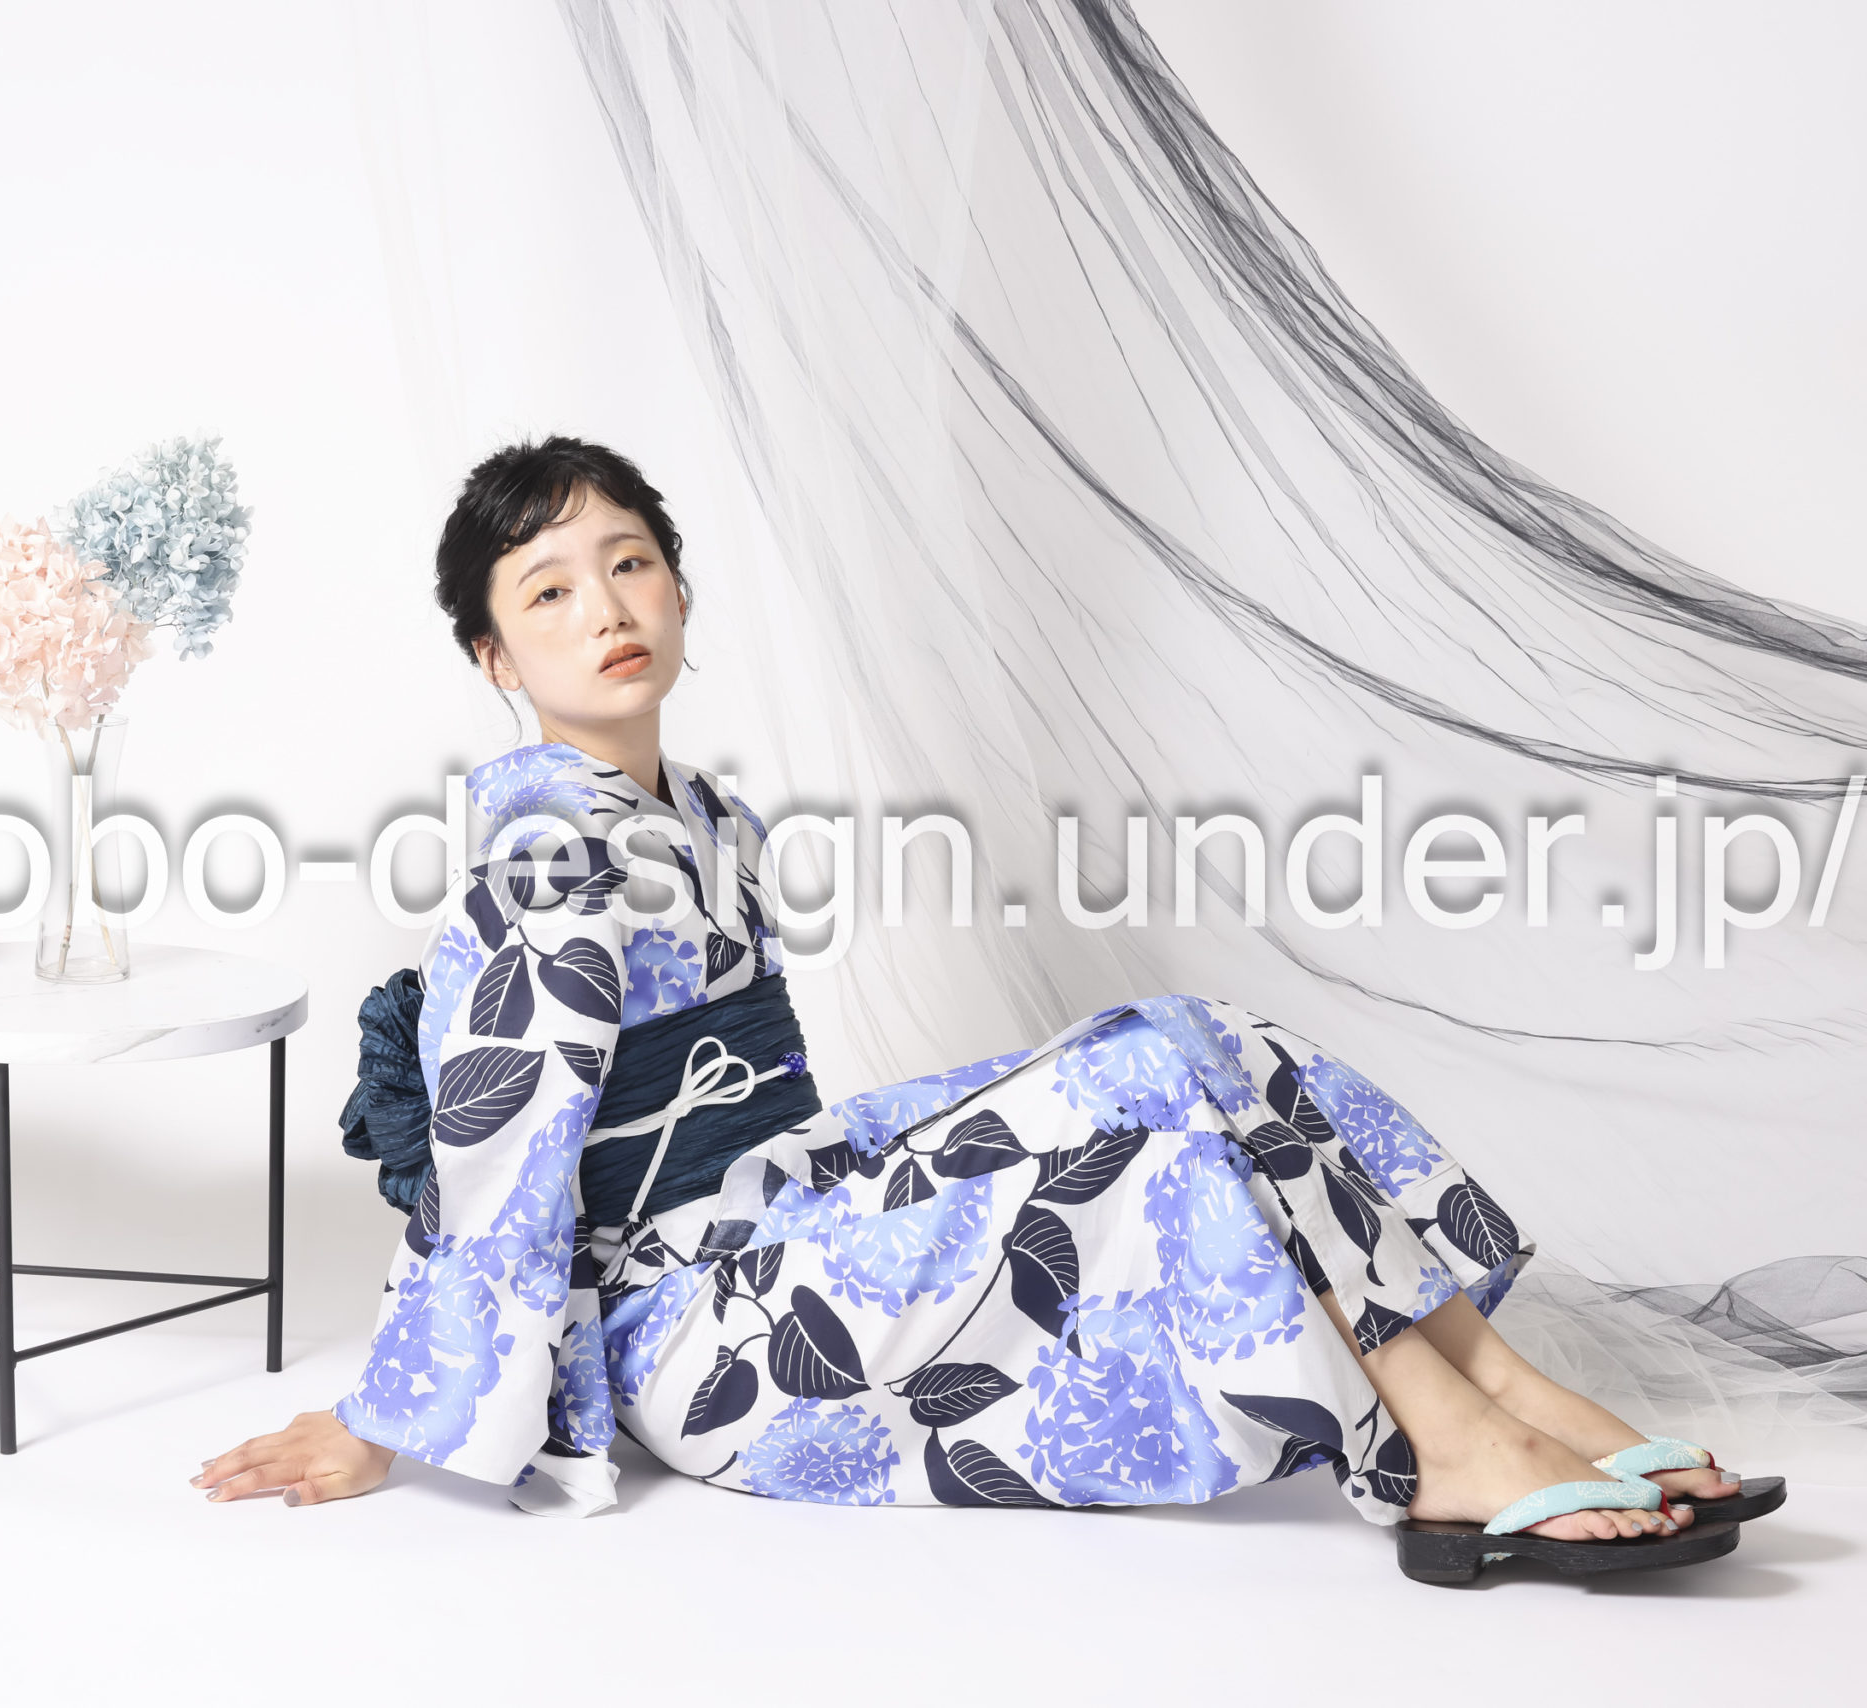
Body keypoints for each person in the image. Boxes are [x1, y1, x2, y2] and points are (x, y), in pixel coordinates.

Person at [195, 437, 1781, 1582]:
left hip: (783, 1214)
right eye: (548, 592)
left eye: (629, 562)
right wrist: (383, 1416)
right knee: (1154, 1123)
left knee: (1200, 1040)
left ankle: (1501, 1392)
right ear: (494, 657)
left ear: (678, 587)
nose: (605, 605)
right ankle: (1450, 1446)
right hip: (701, 1329)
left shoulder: (707, 819)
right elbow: (504, 1167)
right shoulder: (545, 858)